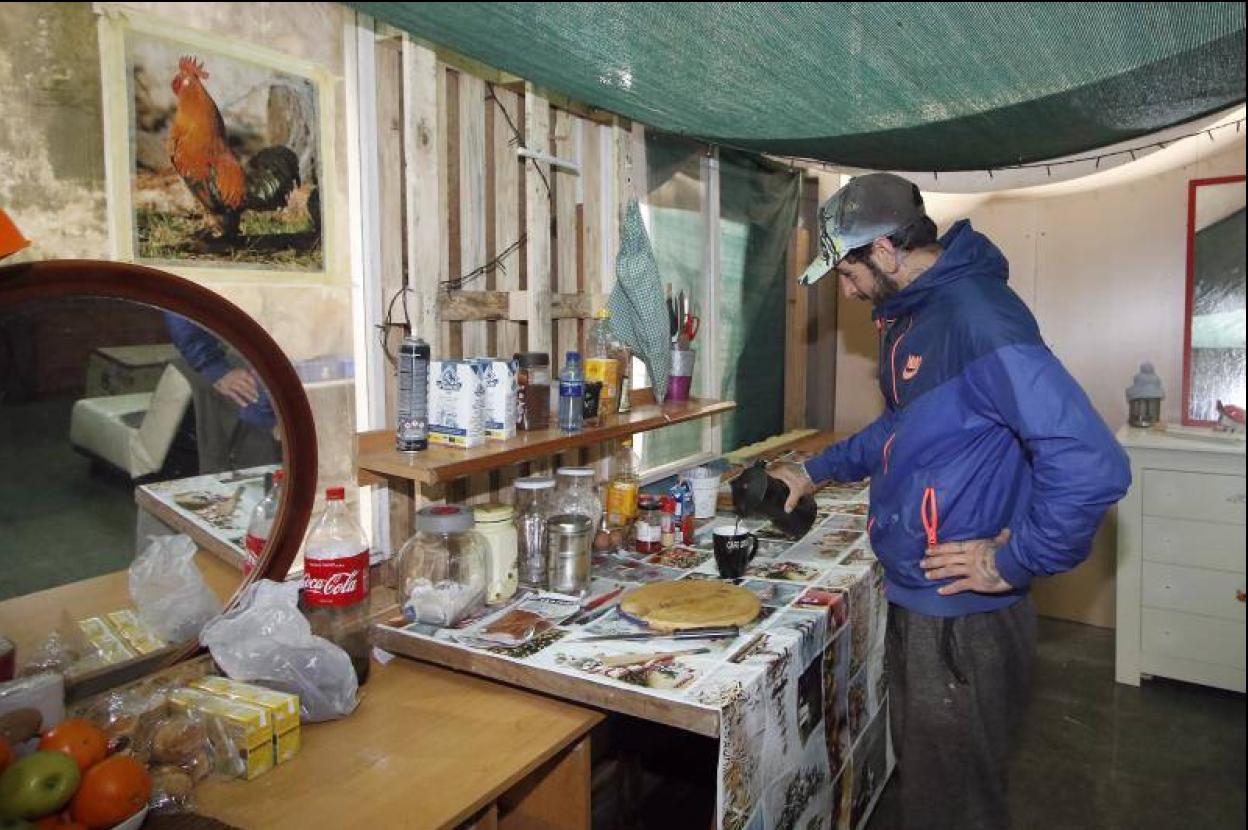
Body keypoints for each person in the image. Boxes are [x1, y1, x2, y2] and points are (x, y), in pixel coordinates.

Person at [770, 173, 1131, 830]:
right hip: (923, 594)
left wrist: (1015, 560)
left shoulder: (976, 318)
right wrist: (814, 469)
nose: (846, 294)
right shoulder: (916, 317)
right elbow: (903, 425)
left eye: (847, 275)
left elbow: (1090, 462)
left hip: (965, 617)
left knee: (954, 805)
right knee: (934, 785)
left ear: (882, 249)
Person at [163, 312, 280, 473]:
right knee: (257, 466)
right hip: (238, 360)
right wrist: (214, 367)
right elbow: (179, 306)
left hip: (299, 358)